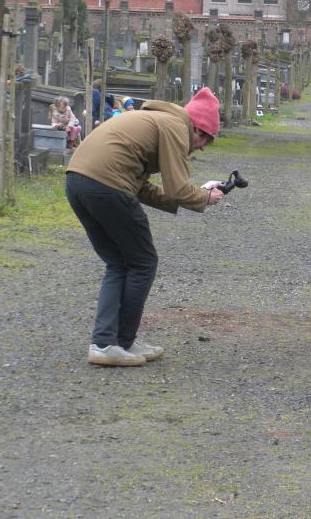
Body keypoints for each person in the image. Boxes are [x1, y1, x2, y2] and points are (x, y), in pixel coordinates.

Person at [65, 86, 225, 367]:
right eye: (206, 141)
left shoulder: (154, 120)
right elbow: (177, 188)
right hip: (107, 186)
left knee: (118, 262)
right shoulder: (177, 126)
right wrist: (203, 197)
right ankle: (117, 341)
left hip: (78, 182)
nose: (201, 147)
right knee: (143, 262)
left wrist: (199, 195)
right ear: (198, 129)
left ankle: (107, 343)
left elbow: (140, 186)